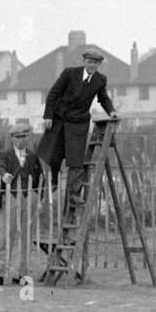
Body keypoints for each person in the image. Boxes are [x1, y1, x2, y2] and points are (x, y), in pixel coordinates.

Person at [37, 48, 116, 210]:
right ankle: (53, 180)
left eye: (96, 63)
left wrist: (112, 111)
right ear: (84, 61)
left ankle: (73, 195)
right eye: (90, 62)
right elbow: (53, 94)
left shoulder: (100, 80)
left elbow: (103, 98)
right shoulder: (69, 73)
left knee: (76, 161)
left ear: (99, 64)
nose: (92, 65)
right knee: (53, 153)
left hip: (79, 123)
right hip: (59, 119)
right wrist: (48, 116)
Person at [0, 120, 43, 285]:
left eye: (24, 137)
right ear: (12, 138)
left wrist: (38, 198)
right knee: (6, 235)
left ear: (28, 138)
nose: (21, 140)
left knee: (26, 236)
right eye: (17, 137)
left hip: (29, 199)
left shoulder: (33, 156)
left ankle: (21, 274)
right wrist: (4, 174)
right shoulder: (5, 155)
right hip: (11, 197)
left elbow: (40, 178)